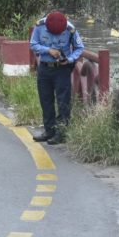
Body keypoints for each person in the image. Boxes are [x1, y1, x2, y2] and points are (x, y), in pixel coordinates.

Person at [30, 10, 84, 145]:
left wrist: (70, 59)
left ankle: (61, 133)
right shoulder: (40, 26)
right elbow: (33, 44)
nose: (55, 36)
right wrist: (48, 50)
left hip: (62, 69)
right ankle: (49, 131)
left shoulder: (70, 29)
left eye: (59, 34)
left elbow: (79, 48)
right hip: (44, 68)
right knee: (45, 100)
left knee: (63, 102)